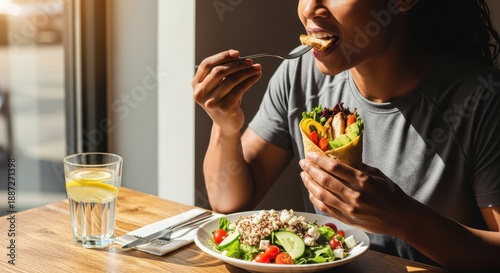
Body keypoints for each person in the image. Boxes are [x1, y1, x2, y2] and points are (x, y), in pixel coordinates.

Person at [192, 0, 500, 271]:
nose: (309, 8)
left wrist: (405, 219)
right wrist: (225, 124)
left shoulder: (483, 100)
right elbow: (228, 202)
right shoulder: (299, 75)